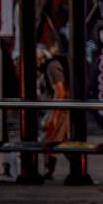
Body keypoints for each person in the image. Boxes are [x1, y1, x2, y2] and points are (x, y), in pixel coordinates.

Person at [37, 40, 70, 180]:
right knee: (60, 140)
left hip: (60, 108)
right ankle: (51, 169)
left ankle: (48, 170)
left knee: (51, 138)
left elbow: (60, 92)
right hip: (60, 107)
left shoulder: (51, 67)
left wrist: (54, 115)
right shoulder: (50, 66)